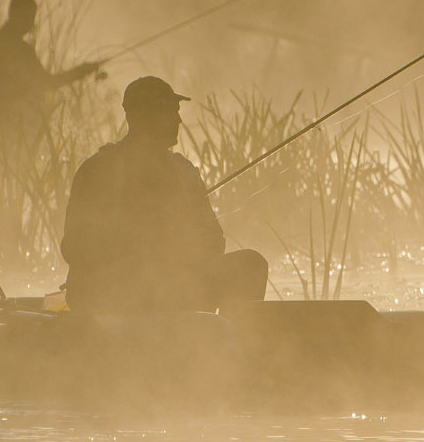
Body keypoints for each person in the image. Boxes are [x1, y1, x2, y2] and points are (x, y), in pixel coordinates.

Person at [60, 76, 268, 315]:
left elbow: (214, 239)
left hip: (173, 284)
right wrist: (141, 241)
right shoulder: (100, 170)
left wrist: (184, 247)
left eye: (176, 111)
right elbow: (73, 247)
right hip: (113, 292)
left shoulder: (184, 170)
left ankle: (232, 344)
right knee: (153, 278)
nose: (178, 119)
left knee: (251, 264)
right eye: (167, 111)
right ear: (138, 117)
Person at [0, 0, 100, 122]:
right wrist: (80, 72)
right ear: (13, 14)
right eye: (26, 17)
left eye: (31, 17)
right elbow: (46, 83)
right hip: (12, 117)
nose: (31, 23)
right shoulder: (21, 49)